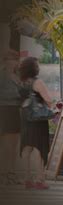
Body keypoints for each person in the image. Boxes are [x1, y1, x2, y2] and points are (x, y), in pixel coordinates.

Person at [17, 57, 53, 189]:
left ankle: (27, 178)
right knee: (39, 148)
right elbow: (48, 100)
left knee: (27, 147)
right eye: (37, 65)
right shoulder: (38, 82)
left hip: (26, 118)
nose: (39, 67)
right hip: (38, 119)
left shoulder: (21, 82)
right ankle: (39, 179)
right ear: (34, 68)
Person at [0, 50, 21, 185]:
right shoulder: (2, 75)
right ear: (5, 61)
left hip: (14, 111)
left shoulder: (17, 75)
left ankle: (11, 173)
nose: (13, 62)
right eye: (10, 59)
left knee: (13, 145)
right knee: (5, 145)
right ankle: (4, 174)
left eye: (15, 60)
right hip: (4, 109)